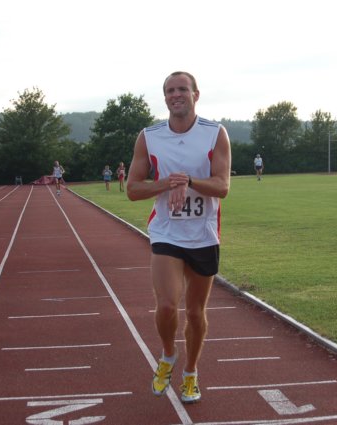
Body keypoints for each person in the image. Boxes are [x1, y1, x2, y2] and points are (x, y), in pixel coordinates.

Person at [126, 71, 231, 404]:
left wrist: (189, 181)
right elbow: (132, 189)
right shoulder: (149, 137)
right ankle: (168, 355)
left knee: (196, 314)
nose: (176, 95)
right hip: (166, 232)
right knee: (168, 305)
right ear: (165, 98)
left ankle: (191, 372)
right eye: (170, 90)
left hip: (203, 234)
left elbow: (222, 186)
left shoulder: (215, 133)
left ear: (195, 95)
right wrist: (168, 183)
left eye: (182, 89)